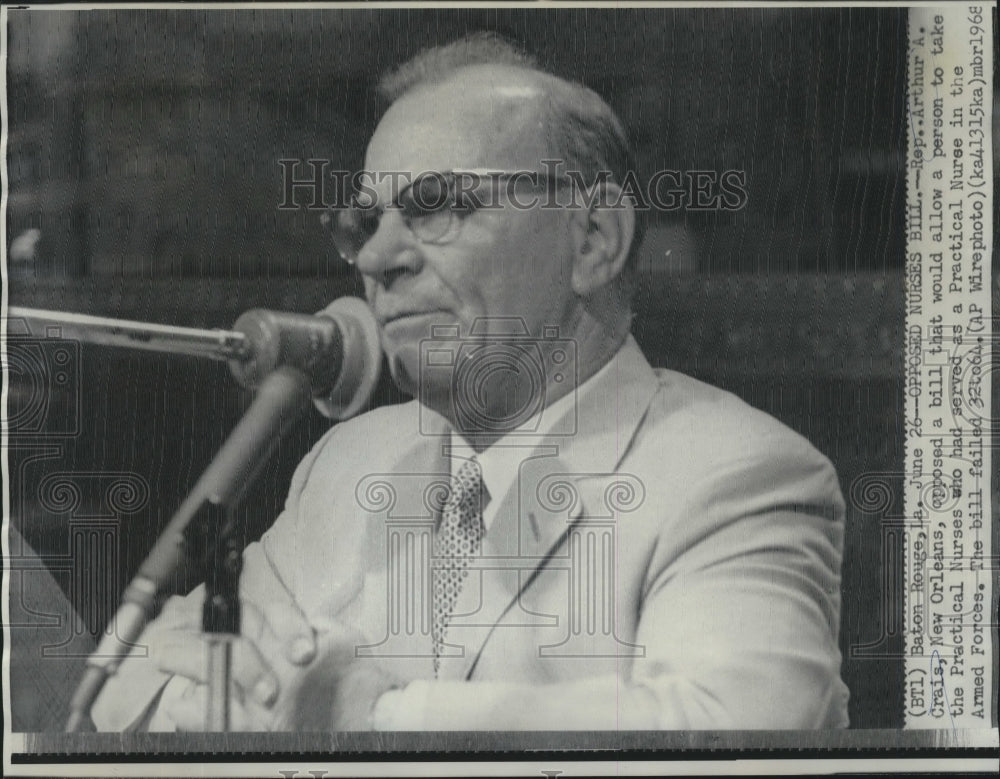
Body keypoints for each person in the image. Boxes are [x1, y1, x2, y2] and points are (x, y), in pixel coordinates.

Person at [93, 33, 850, 731]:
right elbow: (124, 683)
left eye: (440, 205)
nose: (377, 258)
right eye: (365, 224)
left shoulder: (735, 473)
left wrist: (376, 716)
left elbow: (740, 729)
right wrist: (222, 689)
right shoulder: (350, 462)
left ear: (593, 240)